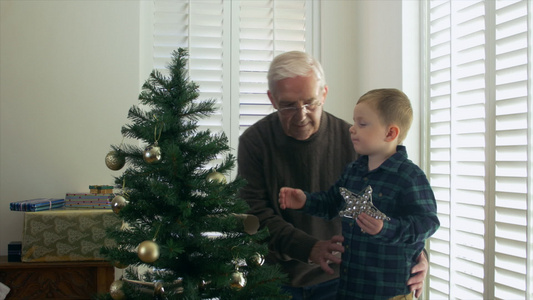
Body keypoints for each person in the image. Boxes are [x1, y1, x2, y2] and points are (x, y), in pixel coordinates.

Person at [237, 51, 429, 300]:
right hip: (274, 279)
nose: (301, 114)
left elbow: (394, 203)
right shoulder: (254, 142)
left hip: (345, 280)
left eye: (310, 102)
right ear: (272, 99)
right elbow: (254, 214)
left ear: (324, 94)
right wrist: (310, 248)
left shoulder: (356, 141)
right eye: (288, 105)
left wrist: (418, 254)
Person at [279, 88, 440, 299]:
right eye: (354, 122)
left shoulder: (409, 176)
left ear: (390, 133)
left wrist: (386, 228)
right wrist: (305, 201)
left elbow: (427, 222)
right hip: (350, 288)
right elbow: (331, 203)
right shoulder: (353, 170)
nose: (352, 129)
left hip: (389, 291)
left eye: (362, 124)